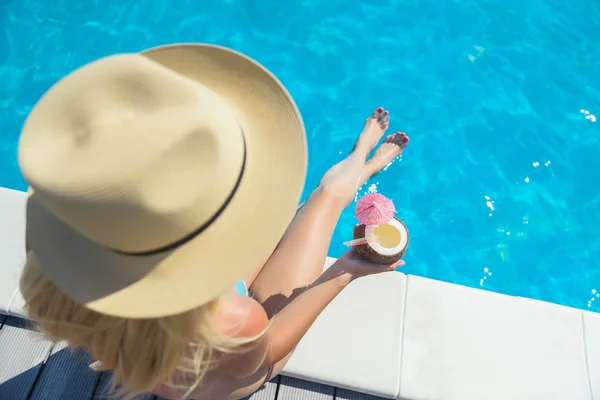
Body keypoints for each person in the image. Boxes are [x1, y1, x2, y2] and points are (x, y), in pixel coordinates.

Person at [18, 43, 410, 400]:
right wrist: (345, 272)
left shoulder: (57, 243)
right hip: (229, 375)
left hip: (143, 341)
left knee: (302, 213)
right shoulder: (235, 318)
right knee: (322, 201)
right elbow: (269, 350)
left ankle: (359, 165)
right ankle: (362, 161)